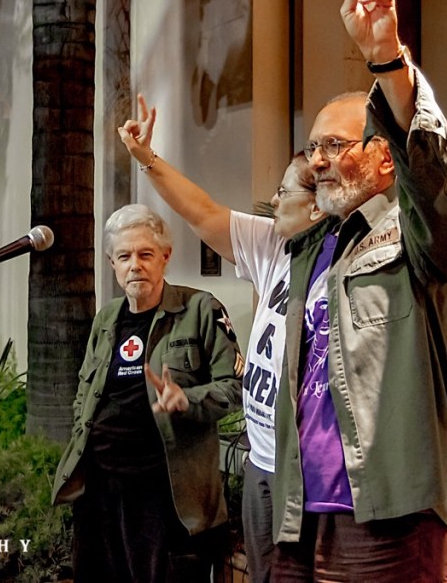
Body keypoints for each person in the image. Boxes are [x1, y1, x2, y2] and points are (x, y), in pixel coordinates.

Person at [271, 0, 447, 582]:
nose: (318, 159)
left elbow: (436, 186)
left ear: (385, 157)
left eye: (333, 144)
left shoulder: (417, 245)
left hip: (384, 514)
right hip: (301, 512)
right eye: (311, 148)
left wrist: (385, 57)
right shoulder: (315, 246)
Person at [116, 101, 326, 583]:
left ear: (317, 204)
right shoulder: (275, 245)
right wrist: (146, 157)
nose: (273, 201)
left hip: (305, 472)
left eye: (283, 191)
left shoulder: (340, 266)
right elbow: (202, 211)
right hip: (261, 460)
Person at [51, 204, 243, 582]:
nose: (135, 265)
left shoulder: (201, 309)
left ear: (165, 258)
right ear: (112, 263)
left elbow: (236, 388)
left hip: (164, 495)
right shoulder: (106, 318)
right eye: (124, 256)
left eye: (145, 254)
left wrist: (187, 400)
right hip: (100, 490)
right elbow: (85, 393)